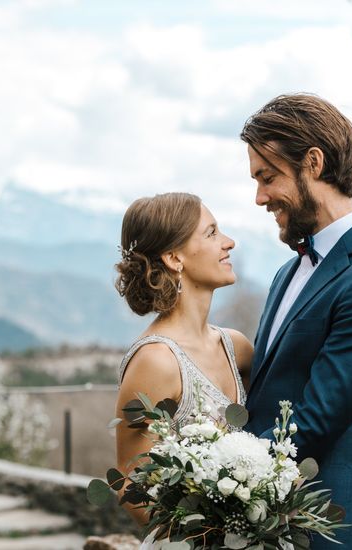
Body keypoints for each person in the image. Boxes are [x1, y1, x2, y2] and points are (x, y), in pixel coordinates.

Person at [241, 93, 352, 550]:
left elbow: (316, 423)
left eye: (268, 177)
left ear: (313, 163)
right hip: (269, 529)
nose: (259, 196)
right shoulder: (288, 272)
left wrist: (216, 474)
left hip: (330, 530)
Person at [113, 192, 251, 547]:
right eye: (211, 233)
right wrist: (206, 540)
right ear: (174, 258)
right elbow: (130, 482)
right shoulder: (157, 361)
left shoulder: (237, 348)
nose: (228, 242)